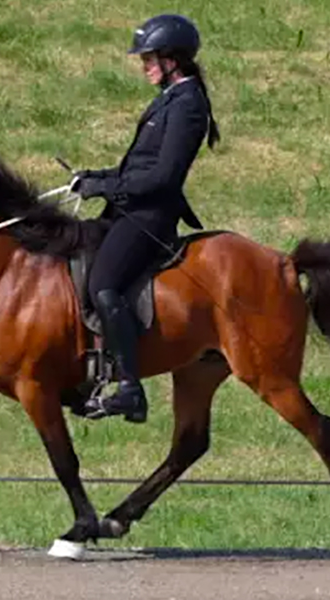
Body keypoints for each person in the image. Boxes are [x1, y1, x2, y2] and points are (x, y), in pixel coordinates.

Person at [71, 14, 220, 423]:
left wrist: (105, 188)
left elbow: (163, 176)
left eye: (150, 58)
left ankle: (130, 388)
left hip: (151, 215)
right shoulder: (169, 98)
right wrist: (93, 178)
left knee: (104, 285)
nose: (144, 65)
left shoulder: (189, 105)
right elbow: (138, 167)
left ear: (174, 58)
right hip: (131, 207)